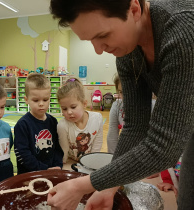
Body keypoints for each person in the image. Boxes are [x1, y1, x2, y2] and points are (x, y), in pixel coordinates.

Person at [48, 0, 194, 209]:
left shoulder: (184, 28)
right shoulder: (127, 51)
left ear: (134, 9)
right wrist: (109, 187)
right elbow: (135, 126)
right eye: (90, 40)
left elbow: (165, 146)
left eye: (103, 35)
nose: (99, 50)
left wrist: (83, 185)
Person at [14, 73, 63, 174]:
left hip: (51, 171)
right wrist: (44, 169)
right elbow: (22, 154)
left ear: (50, 97)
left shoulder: (53, 121)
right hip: (29, 174)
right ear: (26, 100)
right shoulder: (23, 124)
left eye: (45, 100)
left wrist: (58, 165)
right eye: (36, 100)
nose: (41, 104)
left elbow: (58, 147)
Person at [57, 78, 103, 163]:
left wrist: (91, 162)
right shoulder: (62, 125)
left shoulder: (97, 119)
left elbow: (97, 145)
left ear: (84, 104)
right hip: (71, 161)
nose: (69, 112)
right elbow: (64, 149)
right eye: (64, 109)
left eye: (73, 107)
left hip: (89, 161)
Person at [107, 74, 124, 154]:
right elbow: (112, 138)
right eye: (121, 92)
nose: (125, 97)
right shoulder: (117, 105)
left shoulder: (154, 107)